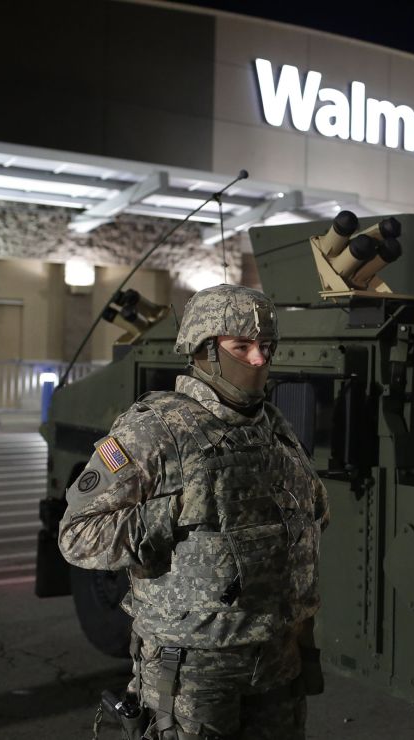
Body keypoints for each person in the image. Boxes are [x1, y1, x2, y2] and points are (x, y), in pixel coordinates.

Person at [58, 284, 328, 740]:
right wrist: (177, 512)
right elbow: (78, 535)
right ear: (204, 350)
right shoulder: (154, 428)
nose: (259, 359)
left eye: (266, 347)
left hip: (277, 654)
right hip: (196, 667)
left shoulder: (272, 426)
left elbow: (313, 510)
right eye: (242, 346)